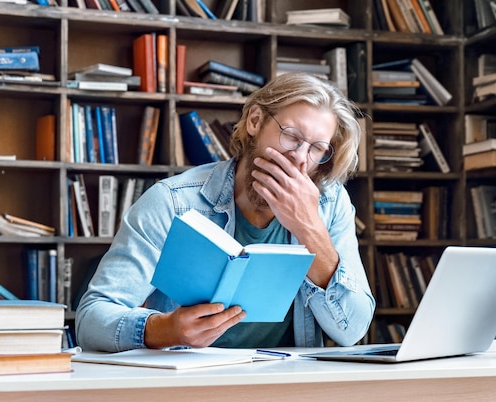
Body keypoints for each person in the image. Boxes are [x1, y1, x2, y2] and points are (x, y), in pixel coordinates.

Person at [76, 72, 375, 352]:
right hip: (191, 386)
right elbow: (90, 320)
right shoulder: (172, 202)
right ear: (255, 121)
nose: (299, 159)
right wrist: (166, 329)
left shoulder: (330, 204)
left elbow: (352, 330)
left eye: (317, 149)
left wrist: (310, 229)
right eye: (292, 137)